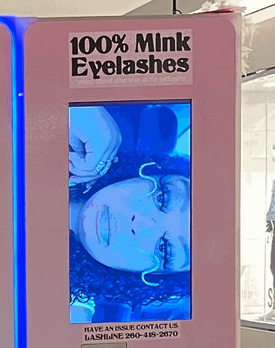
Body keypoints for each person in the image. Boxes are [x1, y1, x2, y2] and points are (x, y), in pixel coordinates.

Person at [68, 104, 191, 323]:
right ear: (150, 171)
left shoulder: (62, 313)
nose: (141, 224)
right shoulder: (77, 131)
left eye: (164, 249)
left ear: (150, 278)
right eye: (163, 197)